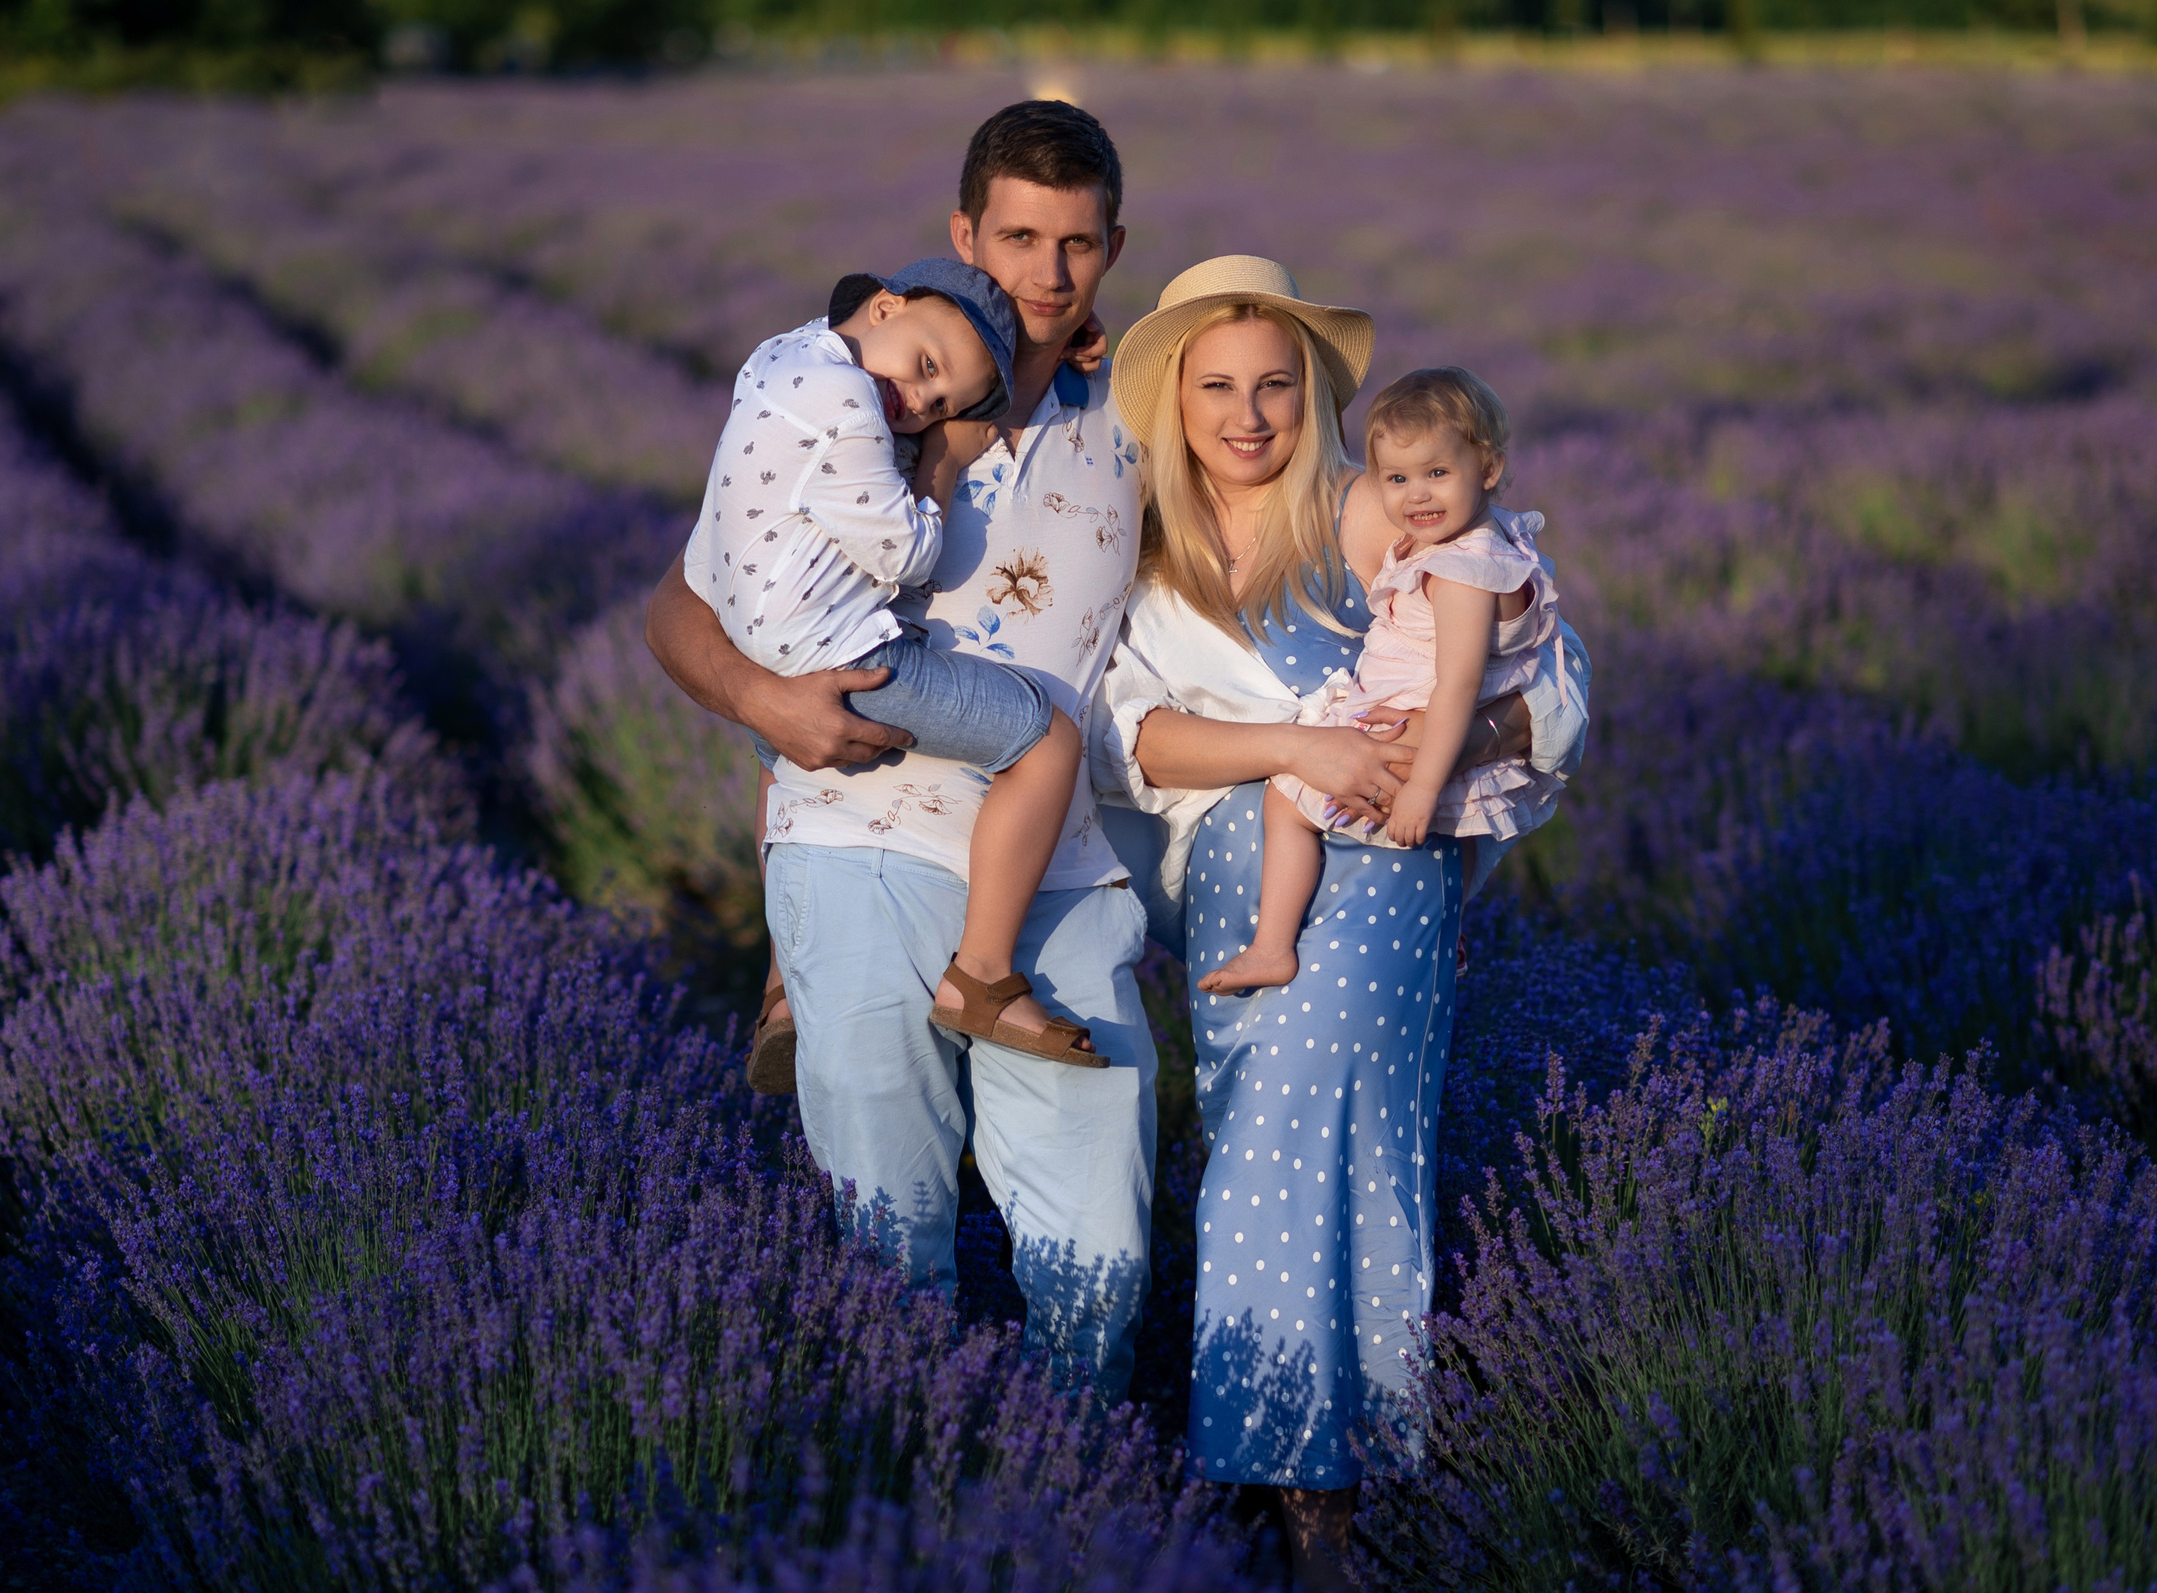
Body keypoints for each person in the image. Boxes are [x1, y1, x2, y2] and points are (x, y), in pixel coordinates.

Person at [1089, 256, 1591, 1593]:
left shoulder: (1381, 514)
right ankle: (1314, 1491)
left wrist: (1443, 743)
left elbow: (1553, 680)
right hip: (1233, 901)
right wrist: (1298, 738)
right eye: (1217, 388)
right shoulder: (1139, 558)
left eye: (1274, 385)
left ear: (1312, 394)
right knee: (1269, 1150)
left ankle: (1316, 1528)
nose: (1248, 414)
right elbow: (1132, 735)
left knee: (1305, 1159)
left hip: (1379, 881)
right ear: (1174, 400)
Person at [645, 100, 1158, 1403]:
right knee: (889, 1255)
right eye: (1021, 238)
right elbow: (678, 606)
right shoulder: (866, 409)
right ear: (962, 237)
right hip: (861, 843)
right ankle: (922, 1537)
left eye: (1079, 245)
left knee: (1097, 1255)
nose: (1048, 273)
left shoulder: (1137, 423)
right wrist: (765, 704)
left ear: (1113, 250)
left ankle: (1074, 1524)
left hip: (1064, 876)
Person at [692, 257, 1105, 1074]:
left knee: (779, 763)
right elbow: (908, 552)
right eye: (924, 368)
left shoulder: (781, 356)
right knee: (1046, 741)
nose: (917, 402)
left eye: (940, 403)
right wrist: (942, 461)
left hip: (757, 640)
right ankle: (982, 978)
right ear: (884, 308)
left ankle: (781, 983)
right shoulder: (851, 406)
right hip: (841, 652)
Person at [1198, 366, 1572, 995]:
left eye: (1437, 474)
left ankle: (1271, 947)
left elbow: (1457, 685)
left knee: (1286, 800)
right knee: (1456, 846)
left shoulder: (1461, 570)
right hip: (1417, 724)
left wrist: (1424, 785)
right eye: (1395, 479)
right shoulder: (1473, 541)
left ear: (1488, 469)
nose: (1416, 497)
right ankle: (1447, 924)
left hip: (1421, 736)